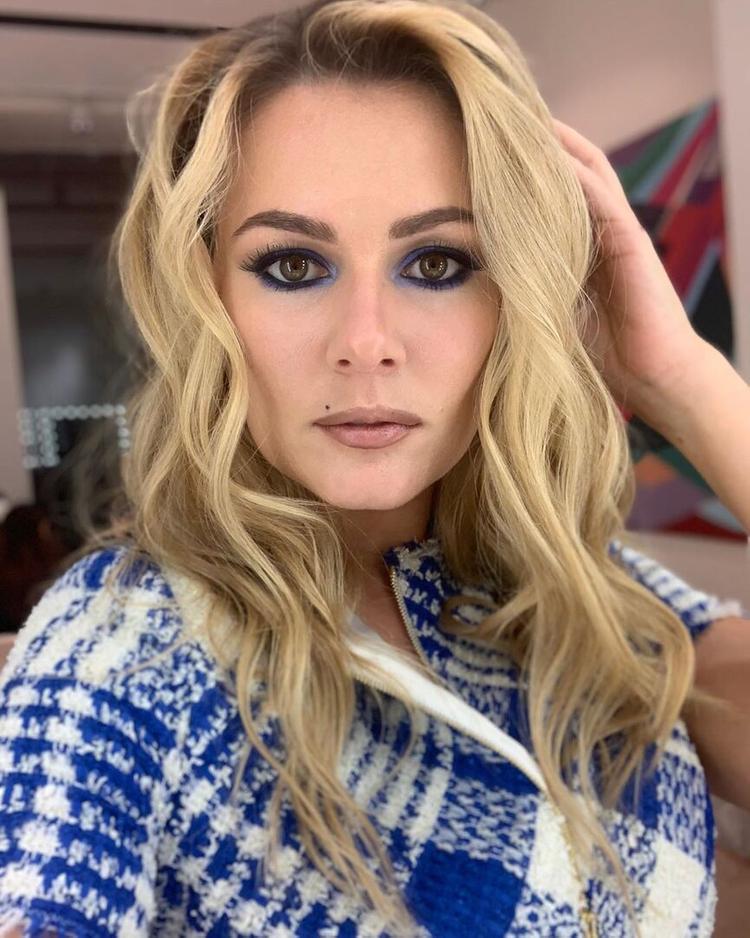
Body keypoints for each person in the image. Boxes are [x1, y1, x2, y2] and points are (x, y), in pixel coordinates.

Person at [0, 0, 749, 935]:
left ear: (513, 296)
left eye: (436, 264)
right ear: (206, 298)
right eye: (291, 266)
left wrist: (682, 378)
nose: (366, 342)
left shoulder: (585, 588)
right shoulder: (122, 649)